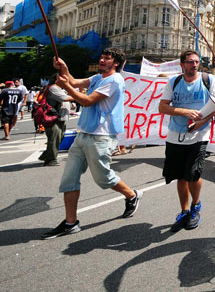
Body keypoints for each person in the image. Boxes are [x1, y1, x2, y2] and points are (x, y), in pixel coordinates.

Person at [41, 49, 141, 239]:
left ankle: (132, 195)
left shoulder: (114, 81)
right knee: (69, 179)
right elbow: (75, 81)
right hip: (83, 134)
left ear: (117, 63)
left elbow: (87, 101)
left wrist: (66, 87)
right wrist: (65, 68)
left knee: (103, 178)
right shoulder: (98, 77)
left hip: (101, 136)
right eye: (101, 57)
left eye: (107, 58)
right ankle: (71, 223)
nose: (102, 60)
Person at [159, 50, 215, 232]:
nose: (194, 65)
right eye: (189, 62)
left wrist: (201, 122)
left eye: (196, 62)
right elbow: (162, 106)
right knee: (180, 177)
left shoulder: (208, 80)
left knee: (193, 175)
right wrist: (184, 112)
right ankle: (184, 210)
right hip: (175, 136)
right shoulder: (174, 82)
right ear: (182, 64)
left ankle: (195, 206)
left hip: (198, 136)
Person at [40, 75, 72, 166]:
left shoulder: (58, 88)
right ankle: (51, 160)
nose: (67, 80)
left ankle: (47, 155)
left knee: (58, 138)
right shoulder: (53, 88)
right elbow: (65, 98)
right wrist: (81, 97)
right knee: (55, 139)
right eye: (63, 78)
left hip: (59, 118)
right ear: (57, 80)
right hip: (53, 118)